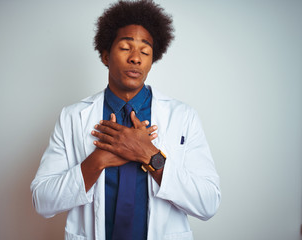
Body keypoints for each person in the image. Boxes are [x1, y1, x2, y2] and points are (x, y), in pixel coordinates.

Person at [30, 1, 221, 240]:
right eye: (125, 47)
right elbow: (43, 201)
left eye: (145, 51)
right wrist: (97, 161)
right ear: (105, 56)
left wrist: (150, 155)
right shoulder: (71, 117)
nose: (135, 58)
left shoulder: (183, 117)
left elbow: (208, 203)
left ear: (153, 60)